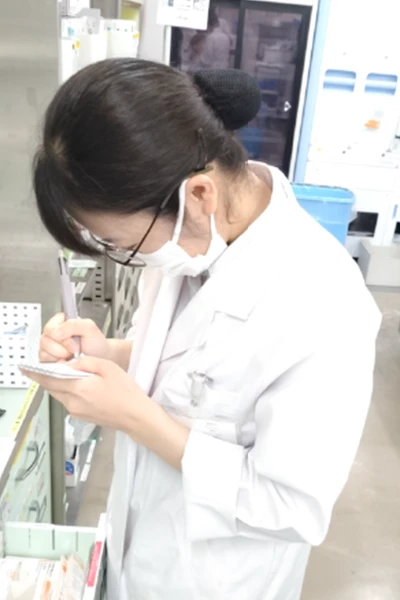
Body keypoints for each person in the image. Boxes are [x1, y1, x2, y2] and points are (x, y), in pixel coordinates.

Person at [26, 59, 381, 600]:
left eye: (122, 243)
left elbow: (291, 508)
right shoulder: (188, 242)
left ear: (198, 196)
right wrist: (113, 353)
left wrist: (135, 416)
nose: (127, 256)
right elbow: (193, 367)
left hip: (217, 582)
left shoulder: (325, 302)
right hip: (138, 551)